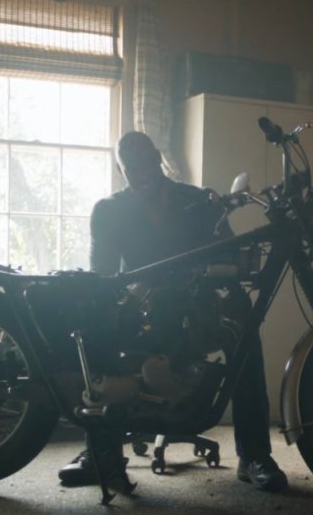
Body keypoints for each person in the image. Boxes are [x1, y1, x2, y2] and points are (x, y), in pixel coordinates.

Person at [58, 131, 289, 493]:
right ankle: (99, 453)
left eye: (146, 164)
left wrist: (219, 283)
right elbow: (101, 277)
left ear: (158, 159)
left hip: (199, 302)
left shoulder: (197, 200)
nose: (141, 174)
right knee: (96, 327)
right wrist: (118, 301)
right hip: (144, 308)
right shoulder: (109, 211)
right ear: (122, 171)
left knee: (245, 335)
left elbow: (227, 252)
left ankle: (255, 455)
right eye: (131, 168)